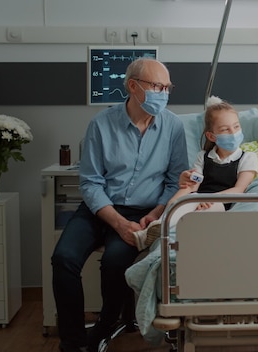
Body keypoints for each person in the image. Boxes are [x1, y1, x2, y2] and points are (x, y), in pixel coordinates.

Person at [51, 58, 189, 352]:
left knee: (115, 261)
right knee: (63, 259)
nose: (163, 93)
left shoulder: (173, 127)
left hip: (143, 213)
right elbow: (89, 182)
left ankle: (104, 327)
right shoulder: (101, 124)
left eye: (167, 87)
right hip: (99, 209)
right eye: (157, 86)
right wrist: (116, 222)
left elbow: (175, 182)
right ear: (133, 86)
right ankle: (72, 342)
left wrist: (153, 215)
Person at [132, 96, 258, 249]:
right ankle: (154, 230)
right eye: (225, 129)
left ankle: (176, 231)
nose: (233, 133)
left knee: (201, 214)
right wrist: (173, 202)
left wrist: (209, 199)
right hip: (197, 199)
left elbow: (239, 190)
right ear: (211, 136)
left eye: (236, 127)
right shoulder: (203, 157)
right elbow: (193, 185)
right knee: (179, 208)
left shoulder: (248, 158)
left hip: (221, 204)